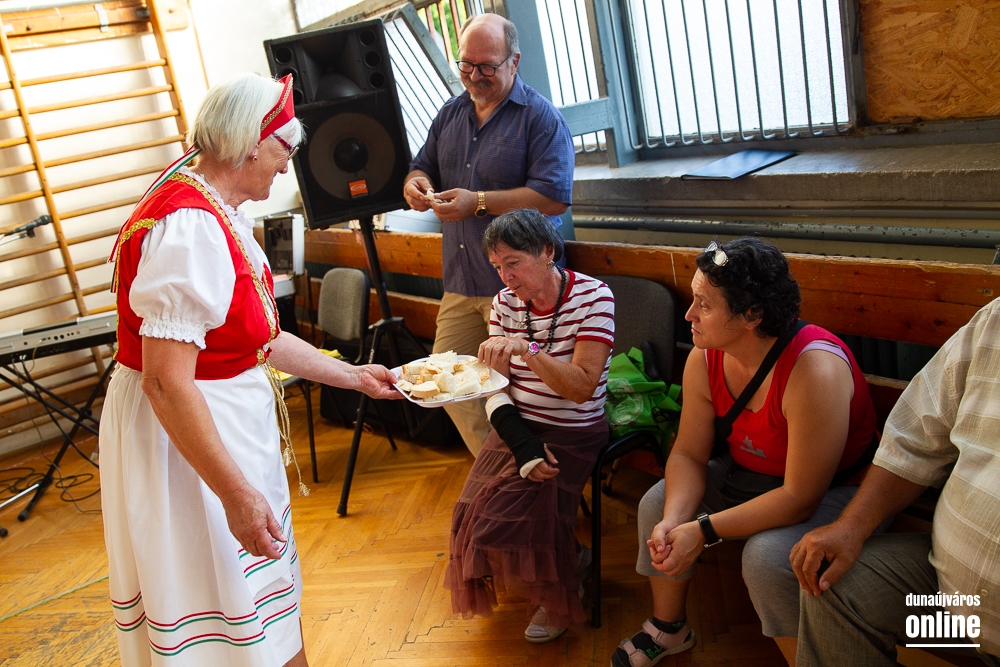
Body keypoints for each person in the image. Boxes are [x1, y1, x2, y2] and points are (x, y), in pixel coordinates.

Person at [100, 73, 399, 667]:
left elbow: (261, 337)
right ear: (247, 143)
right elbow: (165, 382)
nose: (288, 166)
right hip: (189, 447)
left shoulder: (214, 207)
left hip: (214, 426)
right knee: (222, 613)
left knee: (261, 607)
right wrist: (235, 493)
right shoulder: (191, 227)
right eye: (284, 149)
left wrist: (354, 376)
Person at [611, 237, 880, 667]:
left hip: (836, 492)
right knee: (658, 504)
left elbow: (800, 497)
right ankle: (669, 627)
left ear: (752, 315)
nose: (688, 315)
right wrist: (677, 519)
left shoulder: (813, 369)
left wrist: (703, 530)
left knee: (767, 557)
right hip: (748, 475)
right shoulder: (706, 357)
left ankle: (808, 660)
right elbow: (688, 454)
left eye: (704, 304)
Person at [789, 298, 1000, 666]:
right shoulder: (994, 320)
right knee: (834, 583)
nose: (689, 315)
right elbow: (914, 439)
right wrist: (851, 527)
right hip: (947, 592)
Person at [402, 13, 575, 457]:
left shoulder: (540, 117)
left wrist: (477, 202)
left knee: (531, 393)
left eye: (487, 66)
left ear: (514, 61)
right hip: (461, 282)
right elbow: (422, 166)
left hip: (522, 287)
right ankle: (504, 469)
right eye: (466, 64)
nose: (474, 76)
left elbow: (554, 197)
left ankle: (535, 474)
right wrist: (416, 183)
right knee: (445, 386)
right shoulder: (450, 112)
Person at [445, 209, 614, 643]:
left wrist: (529, 350)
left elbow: (581, 389)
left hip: (573, 430)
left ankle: (561, 589)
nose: (505, 277)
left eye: (513, 263)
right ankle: (574, 557)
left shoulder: (594, 296)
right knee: (471, 515)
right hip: (516, 426)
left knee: (509, 519)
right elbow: (494, 388)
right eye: (497, 267)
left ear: (547, 251)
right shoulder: (504, 303)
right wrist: (523, 446)